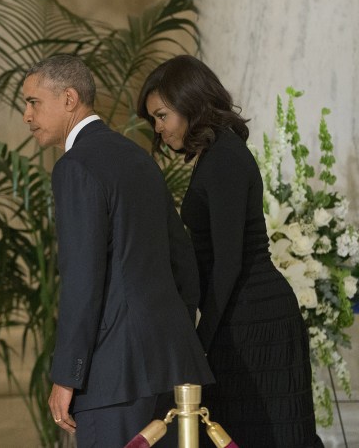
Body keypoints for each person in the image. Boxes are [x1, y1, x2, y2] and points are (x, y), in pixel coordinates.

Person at [22, 54, 213, 447]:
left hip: (114, 379)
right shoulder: (138, 157)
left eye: (33, 102)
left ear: (70, 99)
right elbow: (183, 262)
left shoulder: (75, 166)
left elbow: (82, 280)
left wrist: (67, 376)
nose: (26, 116)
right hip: (173, 372)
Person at [137, 55, 322, 447]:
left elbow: (228, 264)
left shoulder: (224, 158)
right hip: (243, 316)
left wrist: (199, 346)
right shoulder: (218, 154)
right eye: (154, 118)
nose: (158, 127)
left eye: (162, 115)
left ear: (189, 103)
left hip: (255, 321)